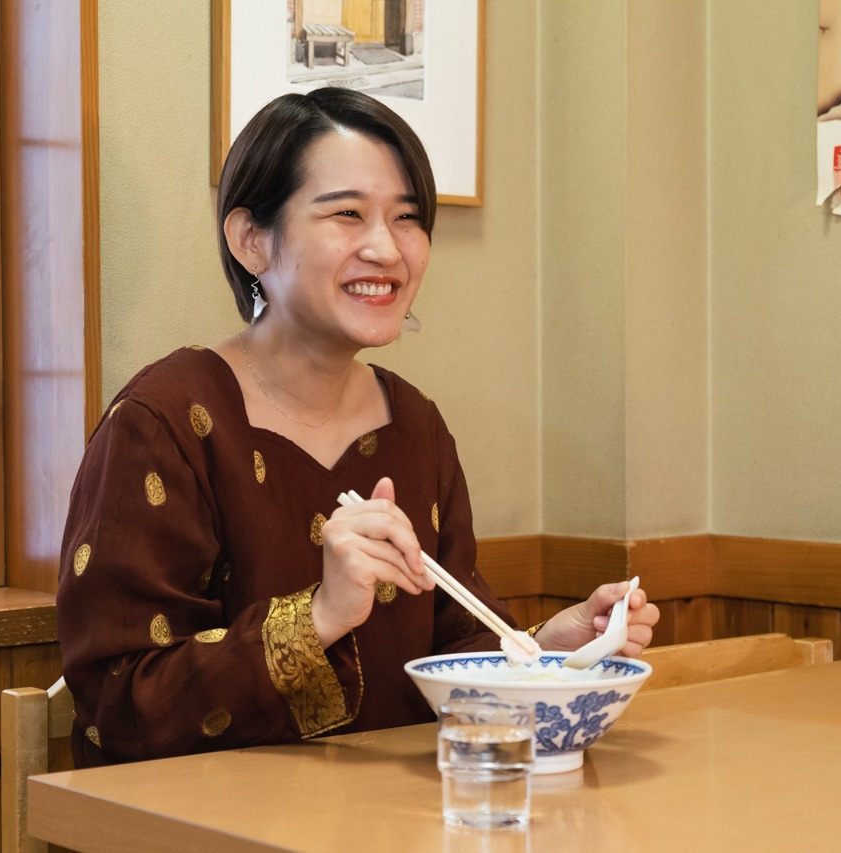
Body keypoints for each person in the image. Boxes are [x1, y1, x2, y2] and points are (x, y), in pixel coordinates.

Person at [56, 88, 659, 768]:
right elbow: (119, 703)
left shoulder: (415, 424)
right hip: (207, 818)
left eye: (407, 218)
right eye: (347, 213)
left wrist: (548, 646)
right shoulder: (165, 422)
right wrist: (320, 615)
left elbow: (452, 649)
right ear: (251, 239)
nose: (386, 248)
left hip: (399, 812)